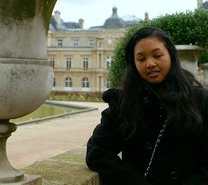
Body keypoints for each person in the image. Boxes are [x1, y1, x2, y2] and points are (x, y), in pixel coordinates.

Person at [86, 26, 208, 184]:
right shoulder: (124, 103)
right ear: (134, 64)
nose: (150, 64)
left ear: (171, 55)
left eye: (157, 55)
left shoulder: (200, 100)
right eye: (141, 59)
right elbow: (97, 152)